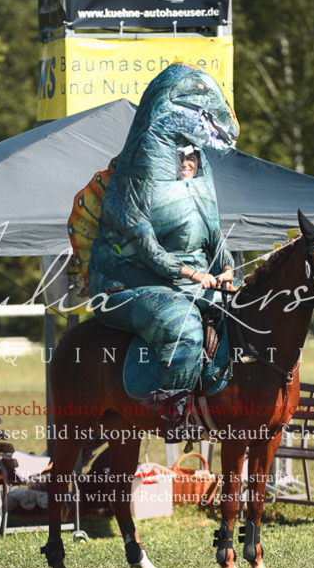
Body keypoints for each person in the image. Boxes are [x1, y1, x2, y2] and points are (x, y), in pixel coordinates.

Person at [87, 63, 238, 435]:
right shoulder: (133, 184)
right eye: (181, 156)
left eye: (193, 157)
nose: (187, 163)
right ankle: (175, 409)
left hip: (193, 282)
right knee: (182, 322)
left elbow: (214, 234)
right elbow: (147, 248)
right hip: (125, 285)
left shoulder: (199, 185)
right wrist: (193, 274)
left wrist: (227, 269)